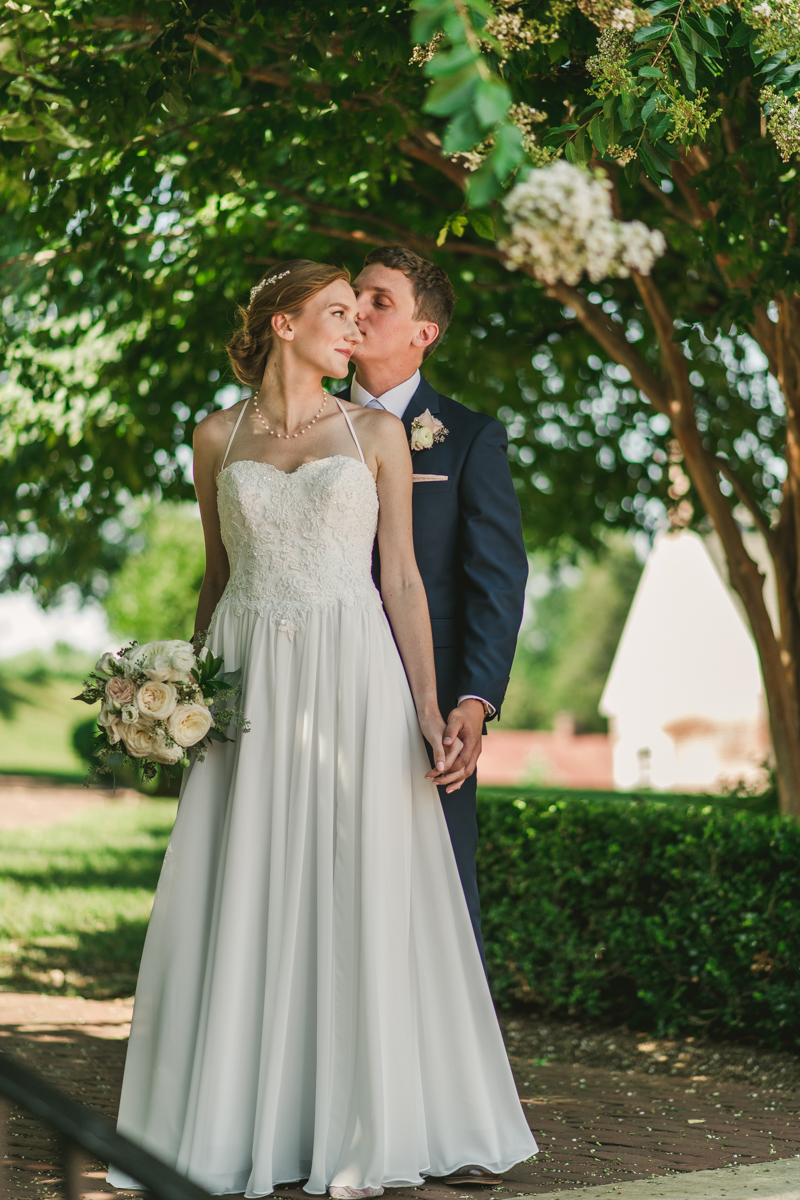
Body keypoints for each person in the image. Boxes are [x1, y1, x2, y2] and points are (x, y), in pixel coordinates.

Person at [107, 260, 537, 1199]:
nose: (353, 326)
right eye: (339, 312)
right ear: (282, 322)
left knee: (360, 883)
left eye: (366, 310)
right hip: (249, 676)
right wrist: (179, 687)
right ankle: (242, 1114)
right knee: (248, 882)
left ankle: (370, 1118)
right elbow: (215, 578)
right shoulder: (215, 435)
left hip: (353, 672)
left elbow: (405, 583)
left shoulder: (378, 432)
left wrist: (431, 705)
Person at [343, 246, 529, 964]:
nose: (357, 309)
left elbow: (497, 580)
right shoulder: (304, 425)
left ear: (427, 331)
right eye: (354, 293)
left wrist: (475, 701)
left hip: (433, 695)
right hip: (320, 677)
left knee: (438, 884)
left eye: (380, 300)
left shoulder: (470, 437)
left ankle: (449, 1066)